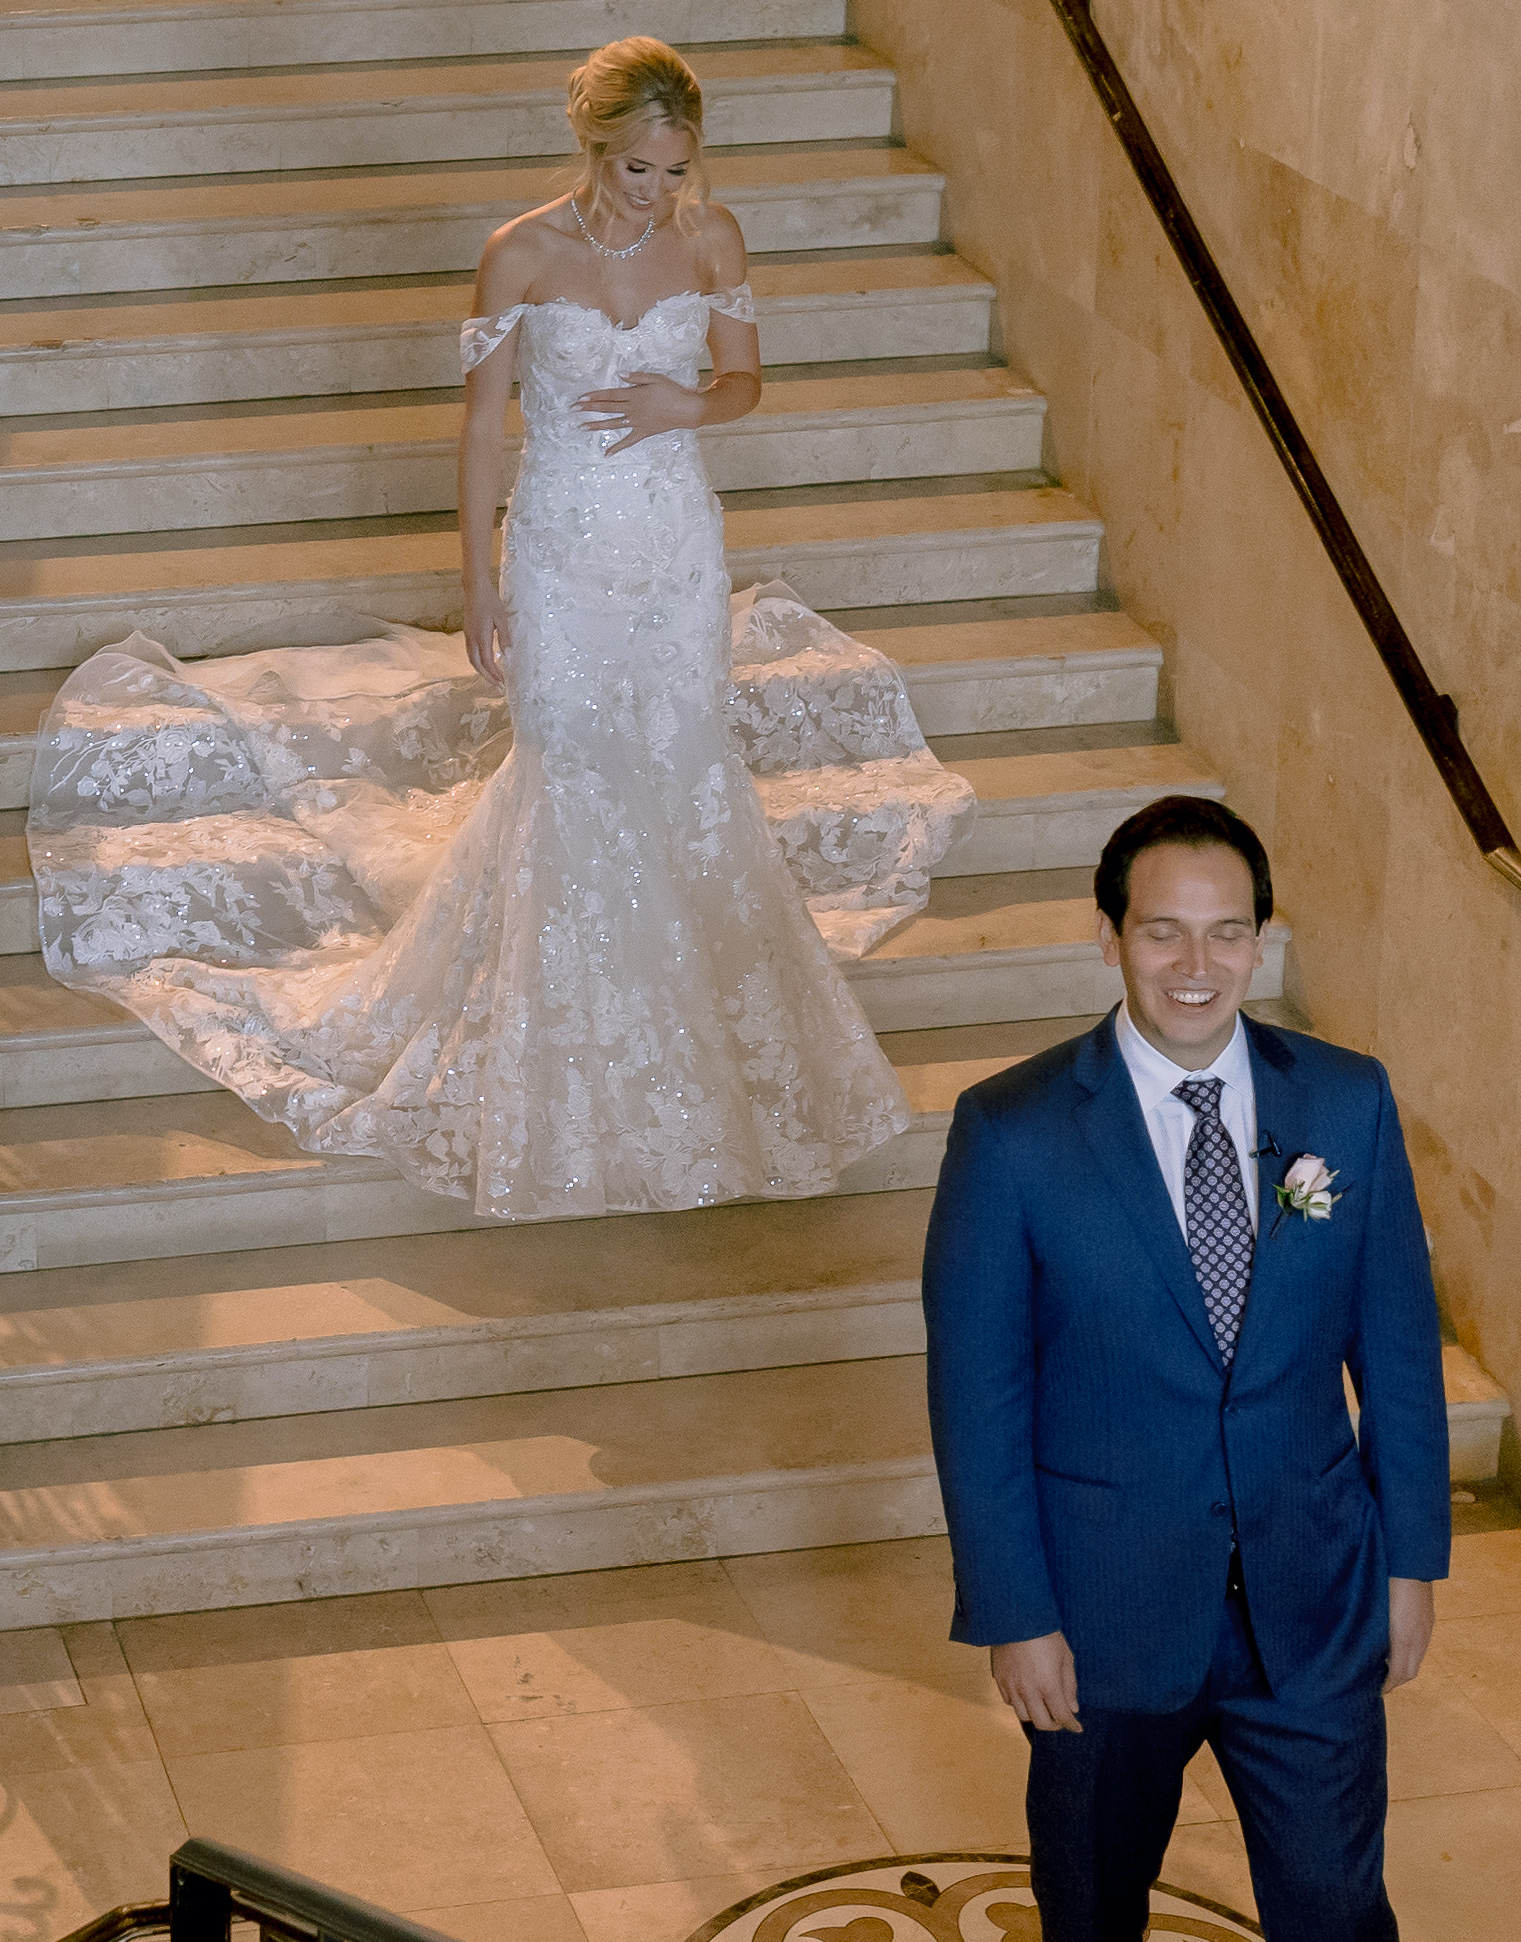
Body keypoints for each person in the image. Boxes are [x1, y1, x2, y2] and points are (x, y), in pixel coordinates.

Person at [29, 38, 972, 1222]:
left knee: (683, 763)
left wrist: (696, 400)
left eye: (675, 170)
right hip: (563, 549)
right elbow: (482, 428)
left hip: (676, 545)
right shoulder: (519, 254)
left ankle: (693, 1021)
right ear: (594, 148)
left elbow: (744, 381)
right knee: (569, 765)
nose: (659, 191)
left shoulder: (713, 237)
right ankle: (563, 1041)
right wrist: (477, 580)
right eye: (638, 169)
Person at [921, 793, 1450, 1941]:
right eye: (1163, 929)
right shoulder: (1012, 1132)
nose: (1196, 963)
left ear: (1261, 938)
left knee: (1339, 1909)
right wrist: (1015, 1613)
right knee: (1094, 1908)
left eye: (1227, 931)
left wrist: (1410, 1560)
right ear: (1109, 936)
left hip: (1312, 1603)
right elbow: (977, 1402)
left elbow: (1400, 1353)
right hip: (1099, 1621)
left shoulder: (1346, 1103)